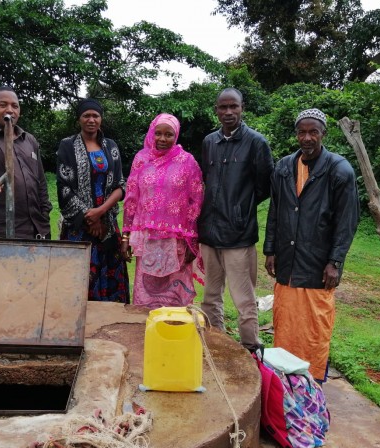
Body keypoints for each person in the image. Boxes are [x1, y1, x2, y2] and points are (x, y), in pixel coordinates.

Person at [263, 108, 359, 382]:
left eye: (313, 132)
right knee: (286, 322)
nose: (307, 138)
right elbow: (276, 211)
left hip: (318, 263)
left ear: (323, 134)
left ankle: (311, 380)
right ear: (296, 134)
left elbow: (347, 221)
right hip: (287, 259)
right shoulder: (283, 167)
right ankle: (283, 377)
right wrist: (270, 249)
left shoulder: (339, 170)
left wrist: (335, 262)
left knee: (315, 324)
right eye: (302, 132)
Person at [198, 88, 274, 352]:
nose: (228, 112)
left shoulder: (256, 142)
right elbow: (206, 182)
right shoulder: (209, 142)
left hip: (238, 235)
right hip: (208, 231)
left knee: (244, 300)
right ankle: (215, 343)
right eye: (223, 107)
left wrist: (240, 209)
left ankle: (251, 349)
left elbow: (264, 186)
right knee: (209, 297)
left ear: (242, 108)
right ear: (216, 110)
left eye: (234, 107)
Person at [121, 113, 204, 308]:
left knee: (175, 298)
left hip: (176, 241)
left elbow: (196, 200)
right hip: (147, 238)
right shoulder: (141, 159)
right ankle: (147, 331)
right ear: (152, 133)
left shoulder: (187, 161)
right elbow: (131, 199)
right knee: (145, 297)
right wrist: (125, 237)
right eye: (158, 133)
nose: (162, 139)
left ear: (176, 136)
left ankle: (174, 331)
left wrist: (192, 241)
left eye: (169, 134)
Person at [56, 98, 129, 303]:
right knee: (78, 277)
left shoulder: (111, 147)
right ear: (79, 119)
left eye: (95, 115)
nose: (91, 119)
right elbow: (64, 187)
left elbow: (120, 185)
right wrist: (89, 217)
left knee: (110, 277)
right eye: (86, 115)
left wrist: (100, 212)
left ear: (101, 119)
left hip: (107, 226)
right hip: (79, 228)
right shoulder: (67, 146)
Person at [0, 86, 52, 239]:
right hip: (2, 228)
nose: (10, 110)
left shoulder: (29, 140)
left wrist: (45, 211)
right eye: (3, 105)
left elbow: (40, 179)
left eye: (15, 106)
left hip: (37, 226)